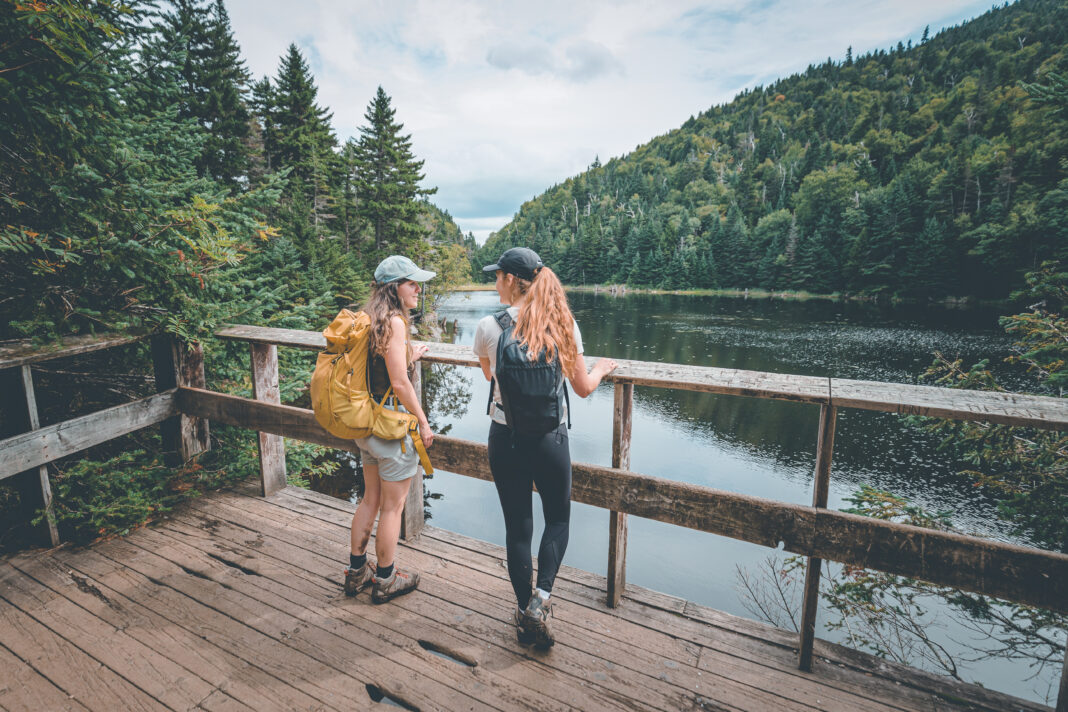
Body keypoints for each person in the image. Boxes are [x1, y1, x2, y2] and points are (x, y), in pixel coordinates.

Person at [473, 247, 618, 648]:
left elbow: (488, 373)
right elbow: (584, 388)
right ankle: (542, 601)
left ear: (511, 280)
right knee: (558, 520)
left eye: (496, 276)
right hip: (551, 441)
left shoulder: (489, 326)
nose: (494, 282)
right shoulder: (562, 324)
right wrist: (603, 369)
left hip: (506, 438)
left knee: (518, 527)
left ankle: (523, 613)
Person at [344, 255, 436, 604]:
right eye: (412, 283)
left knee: (370, 498)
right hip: (392, 429)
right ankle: (385, 579)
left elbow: (381, 366)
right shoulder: (396, 322)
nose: (418, 288)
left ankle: (356, 572)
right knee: (392, 509)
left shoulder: (370, 319)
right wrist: (424, 421)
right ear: (394, 288)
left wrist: (410, 355)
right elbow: (398, 382)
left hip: (367, 427)